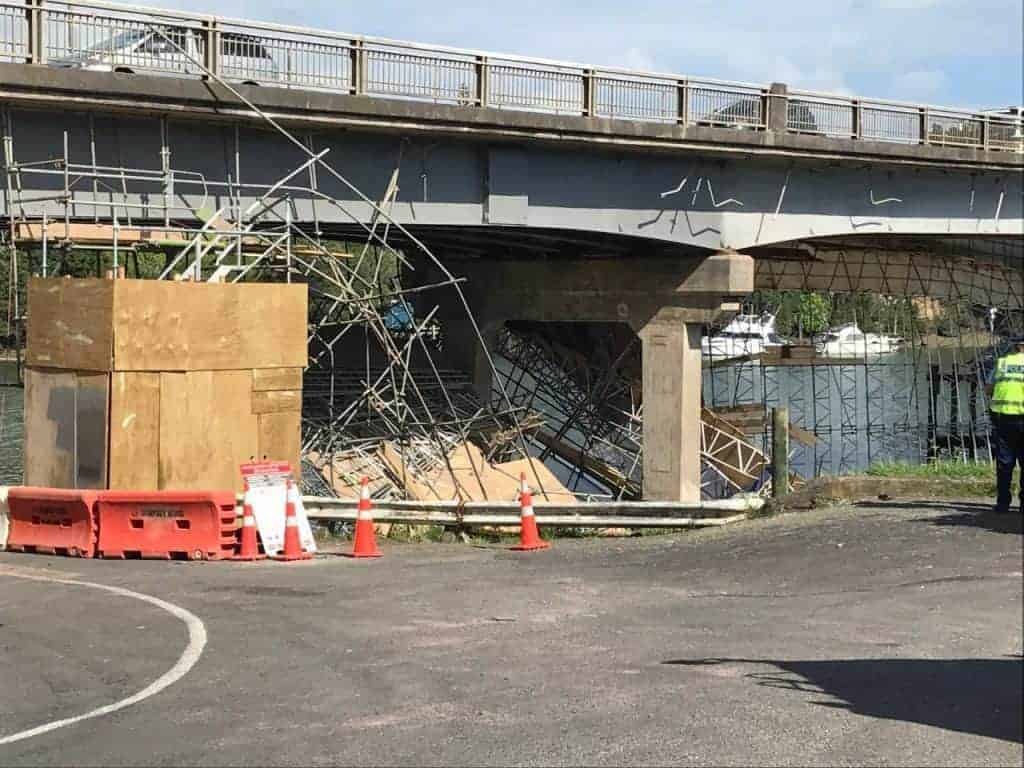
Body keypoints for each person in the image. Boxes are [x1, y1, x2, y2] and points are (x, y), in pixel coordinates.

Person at [989, 338, 1024, 514]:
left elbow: (989, 387)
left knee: (1004, 463)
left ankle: (1003, 503)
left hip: (1002, 418)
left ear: (1016, 346)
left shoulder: (1002, 363)